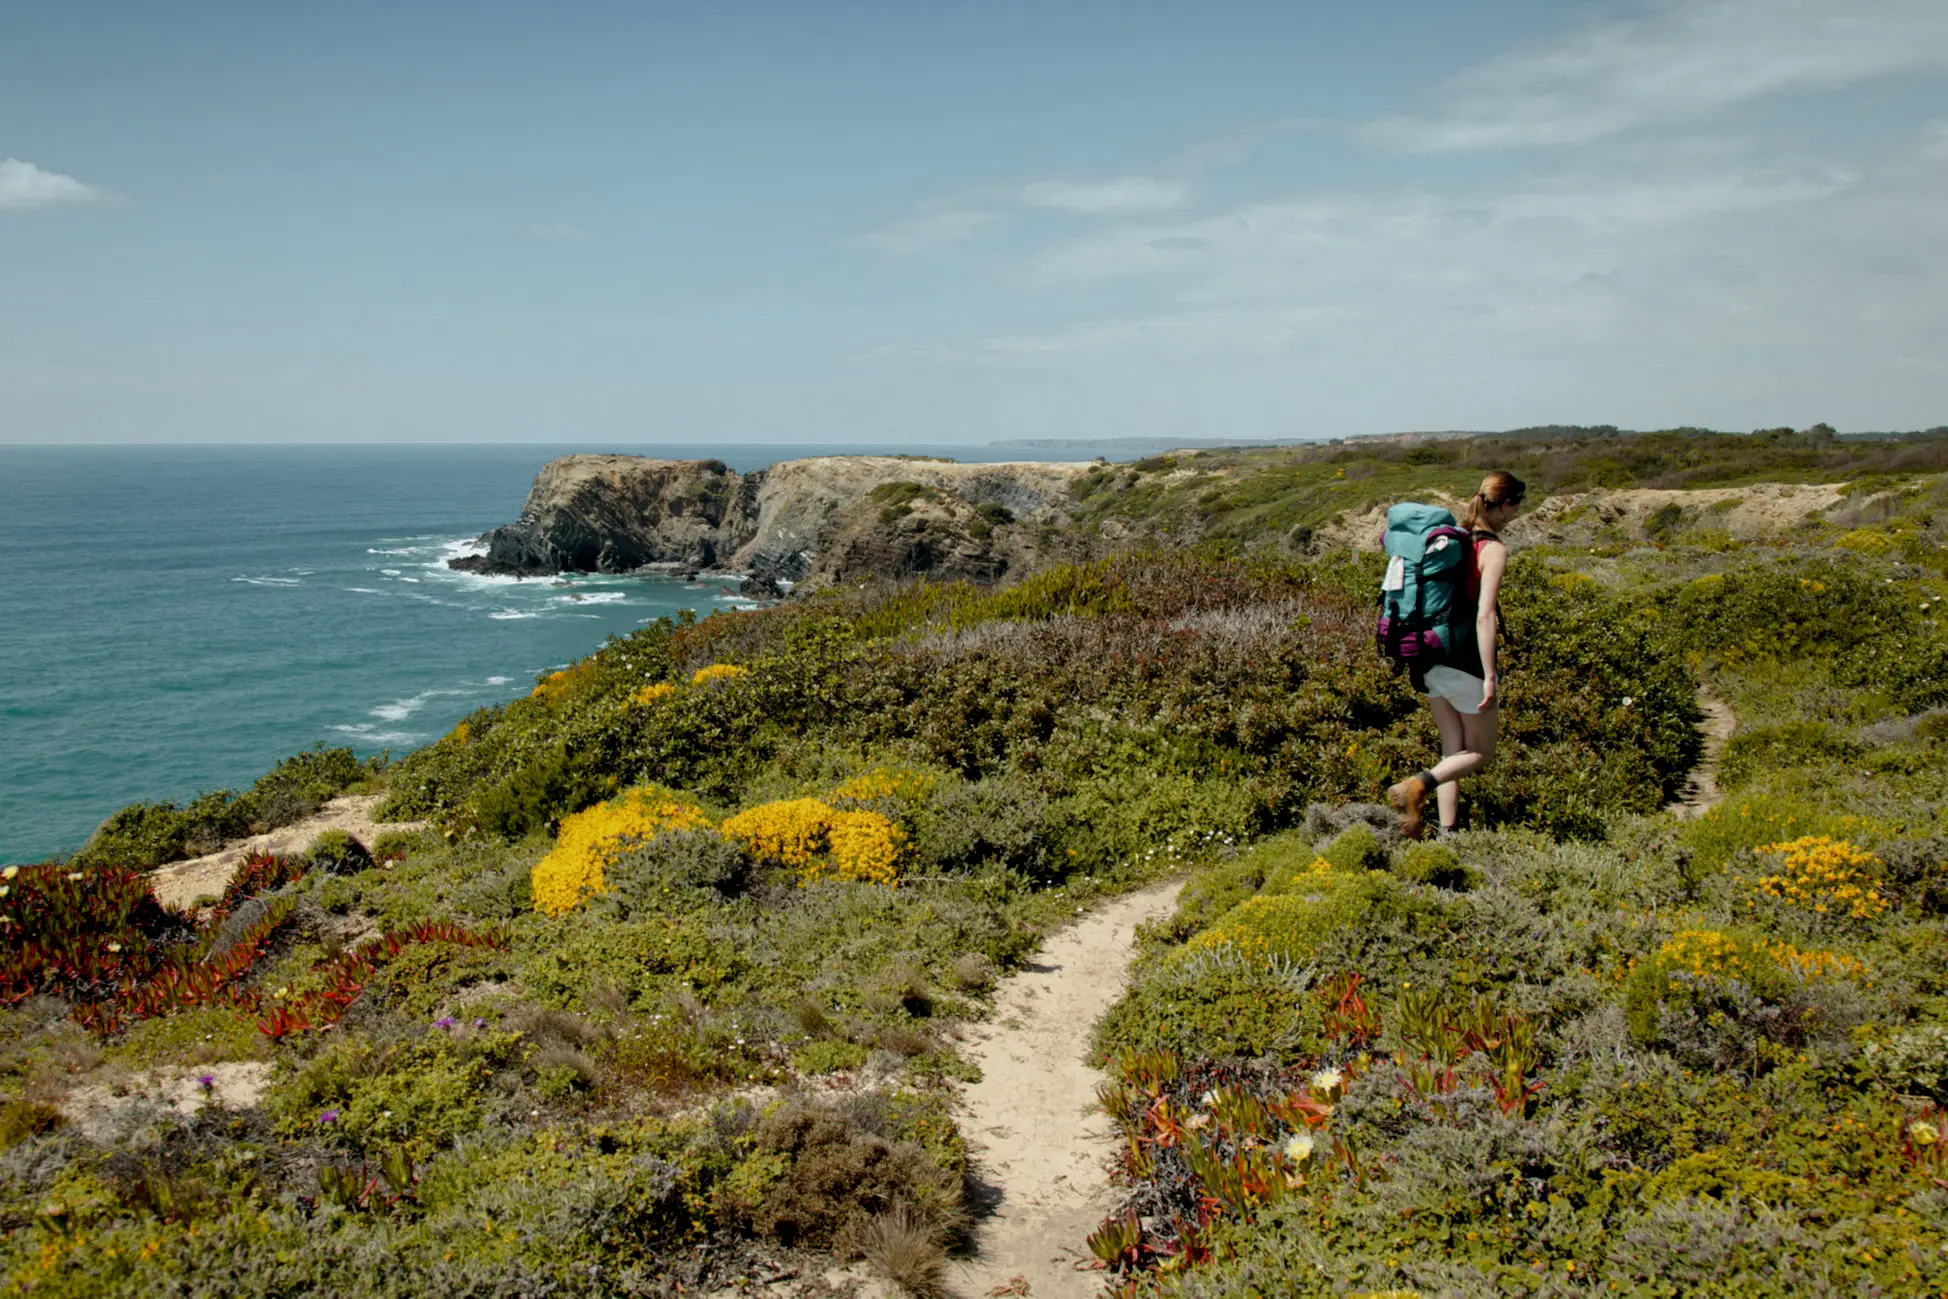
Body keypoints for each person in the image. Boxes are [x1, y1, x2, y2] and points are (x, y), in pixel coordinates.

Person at [1386, 471, 1526, 839]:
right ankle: (1414, 786)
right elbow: (1485, 615)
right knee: (1481, 752)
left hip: (1428, 655)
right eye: (1514, 507)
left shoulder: (1454, 542)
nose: (1513, 515)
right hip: (1464, 660)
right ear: (1504, 505)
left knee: (1453, 751)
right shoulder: (1492, 549)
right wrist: (1490, 675)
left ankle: (1447, 833)